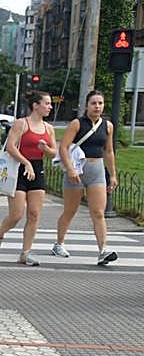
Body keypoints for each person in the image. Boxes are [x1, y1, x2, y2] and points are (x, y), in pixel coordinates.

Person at [51, 90, 119, 265]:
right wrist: (70, 169)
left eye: (100, 103)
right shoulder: (77, 124)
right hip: (78, 170)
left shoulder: (108, 126)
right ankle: (59, 243)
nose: (97, 106)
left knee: (98, 212)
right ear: (87, 105)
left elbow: (109, 151)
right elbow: (64, 148)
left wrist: (113, 174)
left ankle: (103, 250)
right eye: (94, 103)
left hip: (96, 169)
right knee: (70, 210)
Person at [0, 91, 57, 266]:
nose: (50, 107)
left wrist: (45, 148)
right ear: (36, 105)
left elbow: (53, 152)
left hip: (37, 169)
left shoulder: (49, 128)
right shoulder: (21, 124)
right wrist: (25, 163)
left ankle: (25, 253)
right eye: (47, 103)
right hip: (18, 169)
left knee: (34, 213)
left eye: (50, 104)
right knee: (16, 214)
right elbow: (11, 147)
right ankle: (0, 233)